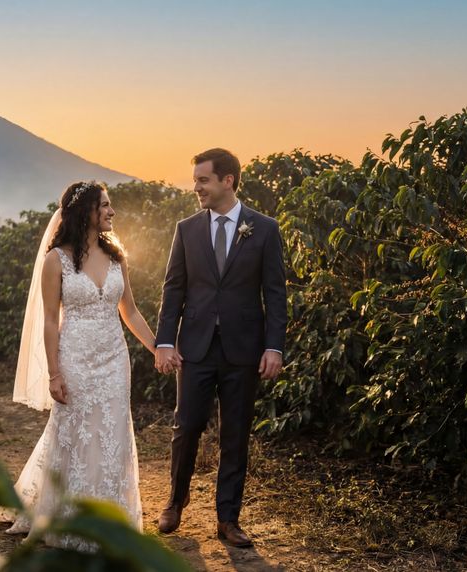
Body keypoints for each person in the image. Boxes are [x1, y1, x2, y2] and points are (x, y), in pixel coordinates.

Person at [0, 181, 157, 550]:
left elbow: (130, 311)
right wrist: (55, 372)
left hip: (114, 359)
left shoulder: (117, 254)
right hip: (75, 358)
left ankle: (113, 517)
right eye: (104, 205)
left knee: (112, 433)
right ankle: (69, 518)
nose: (111, 211)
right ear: (84, 211)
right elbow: (51, 321)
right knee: (76, 434)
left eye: (110, 205)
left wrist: (158, 348)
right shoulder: (56, 259)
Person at [154, 148, 288, 547]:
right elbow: (173, 288)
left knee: (236, 434)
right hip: (194, 348)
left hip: (243, 350)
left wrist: (274, 348)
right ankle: (176, 501)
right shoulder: (187, 228)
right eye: (195, 180)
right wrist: (164, 342)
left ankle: (228, 519)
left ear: (227, 181)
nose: (196, 188)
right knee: (187, 427)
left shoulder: (264, 228)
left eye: (203, 180)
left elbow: (275, 294)